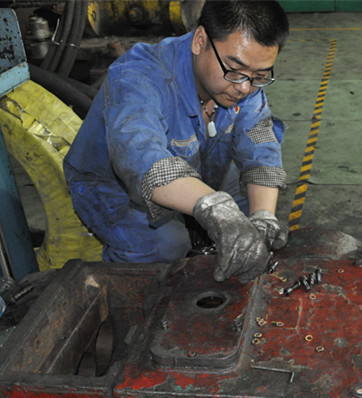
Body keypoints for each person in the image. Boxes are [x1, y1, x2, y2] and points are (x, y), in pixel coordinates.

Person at [64, 0, 290, 282]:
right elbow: (140, 158)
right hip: (113, 185)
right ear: (200, 40)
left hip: (197, 165)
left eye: (259, 76)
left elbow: (260, 142)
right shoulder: (138, 77)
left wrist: (263, 217)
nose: (244, 88)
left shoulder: (242, 80)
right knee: (167, 245)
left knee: (249, 215)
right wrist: (213, 206)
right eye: (235, 70)